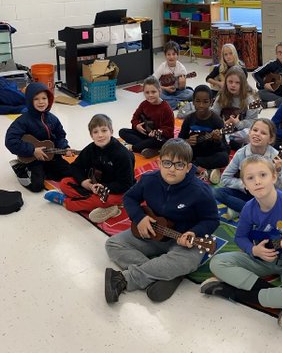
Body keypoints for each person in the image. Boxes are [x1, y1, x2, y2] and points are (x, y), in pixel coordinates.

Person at [202, 155, 282, 329]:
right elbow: (240, 237)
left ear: (274, 177)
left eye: (262, 175)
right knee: (218, 262)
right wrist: (254, 250)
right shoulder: (249, 208)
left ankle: (232, 292)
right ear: (245, 185)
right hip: (261, 258)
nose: (257, 181)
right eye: (250, 178)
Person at [104, 138, 219, 304]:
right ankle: (163, 273)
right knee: (113, 244)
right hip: (154, 232)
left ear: (188, 167)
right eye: (167, 163)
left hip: (183, 240)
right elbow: (129, 197)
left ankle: (123, 279)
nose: (172, 169)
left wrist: (194, 232)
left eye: (179, 165)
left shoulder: (201, 191)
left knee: (188, 261)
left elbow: (212, 220)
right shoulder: (148, 180)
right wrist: (140, 217)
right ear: (158, 163)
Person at [43, 114, 135, 223]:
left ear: (111, 131)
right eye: (96, 132)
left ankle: (66, 202)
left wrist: (103, 187)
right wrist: (85, 183)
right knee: (64, 183)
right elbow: (75, 167)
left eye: (104, 130)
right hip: (94, 185)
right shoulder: (91, 148)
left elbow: (126, 183)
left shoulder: (122, 155)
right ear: (91, 135)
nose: (100, 135)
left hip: (116, 191)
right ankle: (103, 205)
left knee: (108, 199)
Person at [5, 82, 74, 193]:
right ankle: (21, 168)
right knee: (36, 186)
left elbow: (60, 135)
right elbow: (10, 141)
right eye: (36, 99)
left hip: (50, 154)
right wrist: (32, 150)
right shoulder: (23, 121)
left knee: (71, 173)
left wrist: (64, 147)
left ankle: (45, 170)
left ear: (49, 99)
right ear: (29, 101)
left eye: (44, 98)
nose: (41, 102)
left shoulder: (53, 119)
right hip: (32, 158)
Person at [214, 119, 282, 214]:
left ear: (271, 139)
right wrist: (244, 185)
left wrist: (278, 170)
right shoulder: (241, 154)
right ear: (249, 132)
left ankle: (244, 210)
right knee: (216, 192)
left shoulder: (274, 156)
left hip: (265, 195)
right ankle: (253, 211)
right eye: (255, 130)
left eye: (263, 133)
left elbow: (280, 187)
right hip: (246, 192)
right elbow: (225, 178)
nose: (257, 134)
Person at [179, 85, 229, 184]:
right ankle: (204, 170)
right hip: (195, 151)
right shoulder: (189, 119)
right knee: (178, 152)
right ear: (193, 102)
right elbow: (180, 138)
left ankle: (195, 167)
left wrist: (216, 140)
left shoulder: (217, 121)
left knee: (224, 158)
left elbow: (224, 147)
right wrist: (187, 141)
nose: (201, 105)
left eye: (205, 102)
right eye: (198, 101)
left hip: (211, 152)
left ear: (211, 102)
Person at [118, 76, 175, 158]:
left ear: (159, 91)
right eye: (147, 93)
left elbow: (169, 130)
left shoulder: (166, 108)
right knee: (122, 131)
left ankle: (134, 147)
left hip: (159, 138)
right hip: (145, 134)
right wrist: (137, 126)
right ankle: (149, 148)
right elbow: (134, 118)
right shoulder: (144, 104)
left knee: (157, 141)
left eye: (153, 92)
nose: (150, 95)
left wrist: (157, 132)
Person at [211, 66, 262, 150]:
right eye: (230, 82)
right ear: (226, 82)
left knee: (251, 134)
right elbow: (213, 113)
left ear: (243, 84)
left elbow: (253, 122)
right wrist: (222, 123)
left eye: (237, 82)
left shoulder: (250, 100)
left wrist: (239, 124)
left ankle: (229, 140)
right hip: (222, 129)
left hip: (240, 131)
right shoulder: (221, 96)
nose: (233, 85)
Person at [154, 41, 193, 109]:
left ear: (178, 55)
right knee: (158, 94)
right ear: (165, 55)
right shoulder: (162, 66)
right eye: (168, 54)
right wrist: (165, 88)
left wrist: (182, 85)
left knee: (190, 93)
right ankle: (178, 103)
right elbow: (152, 82)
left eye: (174, 54)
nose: (171, 57)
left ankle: (170, 103)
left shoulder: (181, 68)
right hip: (164, 91)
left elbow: (182, 88)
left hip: (178, 91)